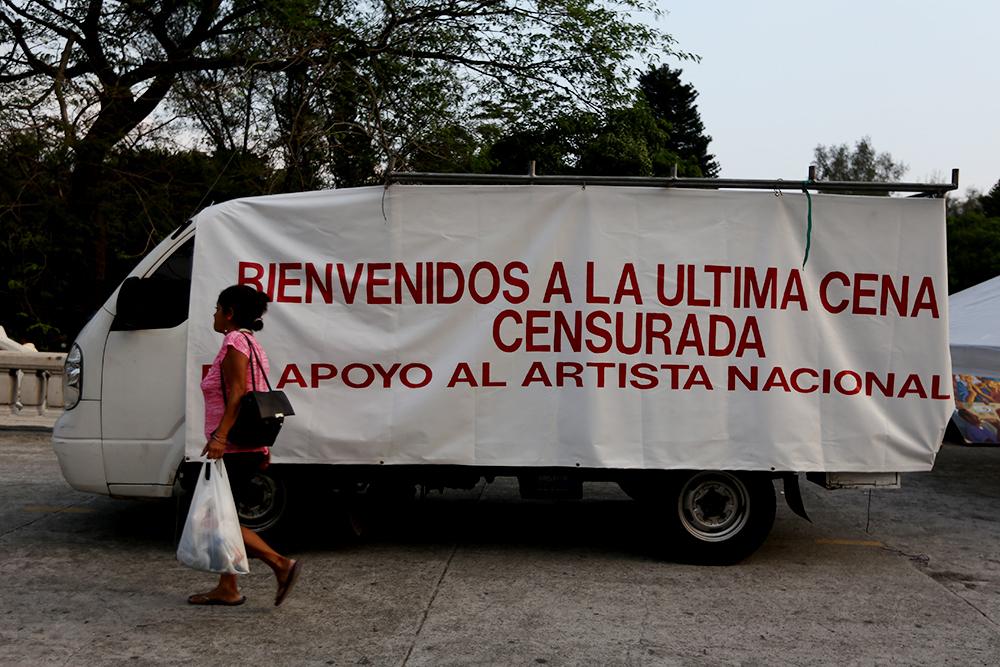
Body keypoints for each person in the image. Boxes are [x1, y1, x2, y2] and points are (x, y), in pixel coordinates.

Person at [187, 284, 302, 607]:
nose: (213, 314)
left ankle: (281, 564)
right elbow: (257, 396)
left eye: (216, 308)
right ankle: (228, 587)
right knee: (221, 517)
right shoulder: (251, 343)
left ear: (230, 313)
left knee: (217, 520)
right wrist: (263, 448)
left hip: (233, 447)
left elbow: (239, 393)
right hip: (244, 446)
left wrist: (220, 436)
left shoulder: (235, 340)